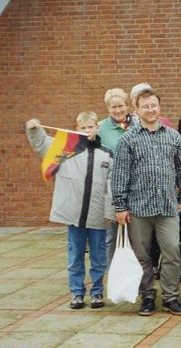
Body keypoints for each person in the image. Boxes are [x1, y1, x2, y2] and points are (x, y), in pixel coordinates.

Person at [112, 88, 181, 316]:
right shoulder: (128, 139)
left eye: (153, 105)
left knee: (172, 251)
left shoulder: (173, 136)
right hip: (138, 208)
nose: (150, 109)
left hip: (168, 206)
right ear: (137, 109)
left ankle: (171, 297)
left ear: (159, 106)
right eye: (145, 106)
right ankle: (147, 296)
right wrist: (120, 206)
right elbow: (120, 174)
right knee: (142, 256)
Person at [26, 113, 112, 310]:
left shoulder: (106, 154)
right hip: (74, 215)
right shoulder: (64, 150)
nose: (87, 131)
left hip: (98, 215)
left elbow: (111, 185)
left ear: (97, 127)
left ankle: (97, 291)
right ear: (77, 128)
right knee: (75, 256)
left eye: (91, 127)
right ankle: (76, 293)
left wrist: (110, 211)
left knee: (99, 257)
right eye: (83, 128)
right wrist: (34, 128)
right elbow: (41, 144)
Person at [97, 88, 132, 267]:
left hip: (136, 188)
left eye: (121, 106)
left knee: (137, 237)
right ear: (108, 108)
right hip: (111, 189)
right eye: (113, 107)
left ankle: (137, 279)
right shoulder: (100, 128)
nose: (118, 110)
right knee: (112, 236)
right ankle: (113, 275)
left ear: (127, 105)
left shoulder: (138, 124)